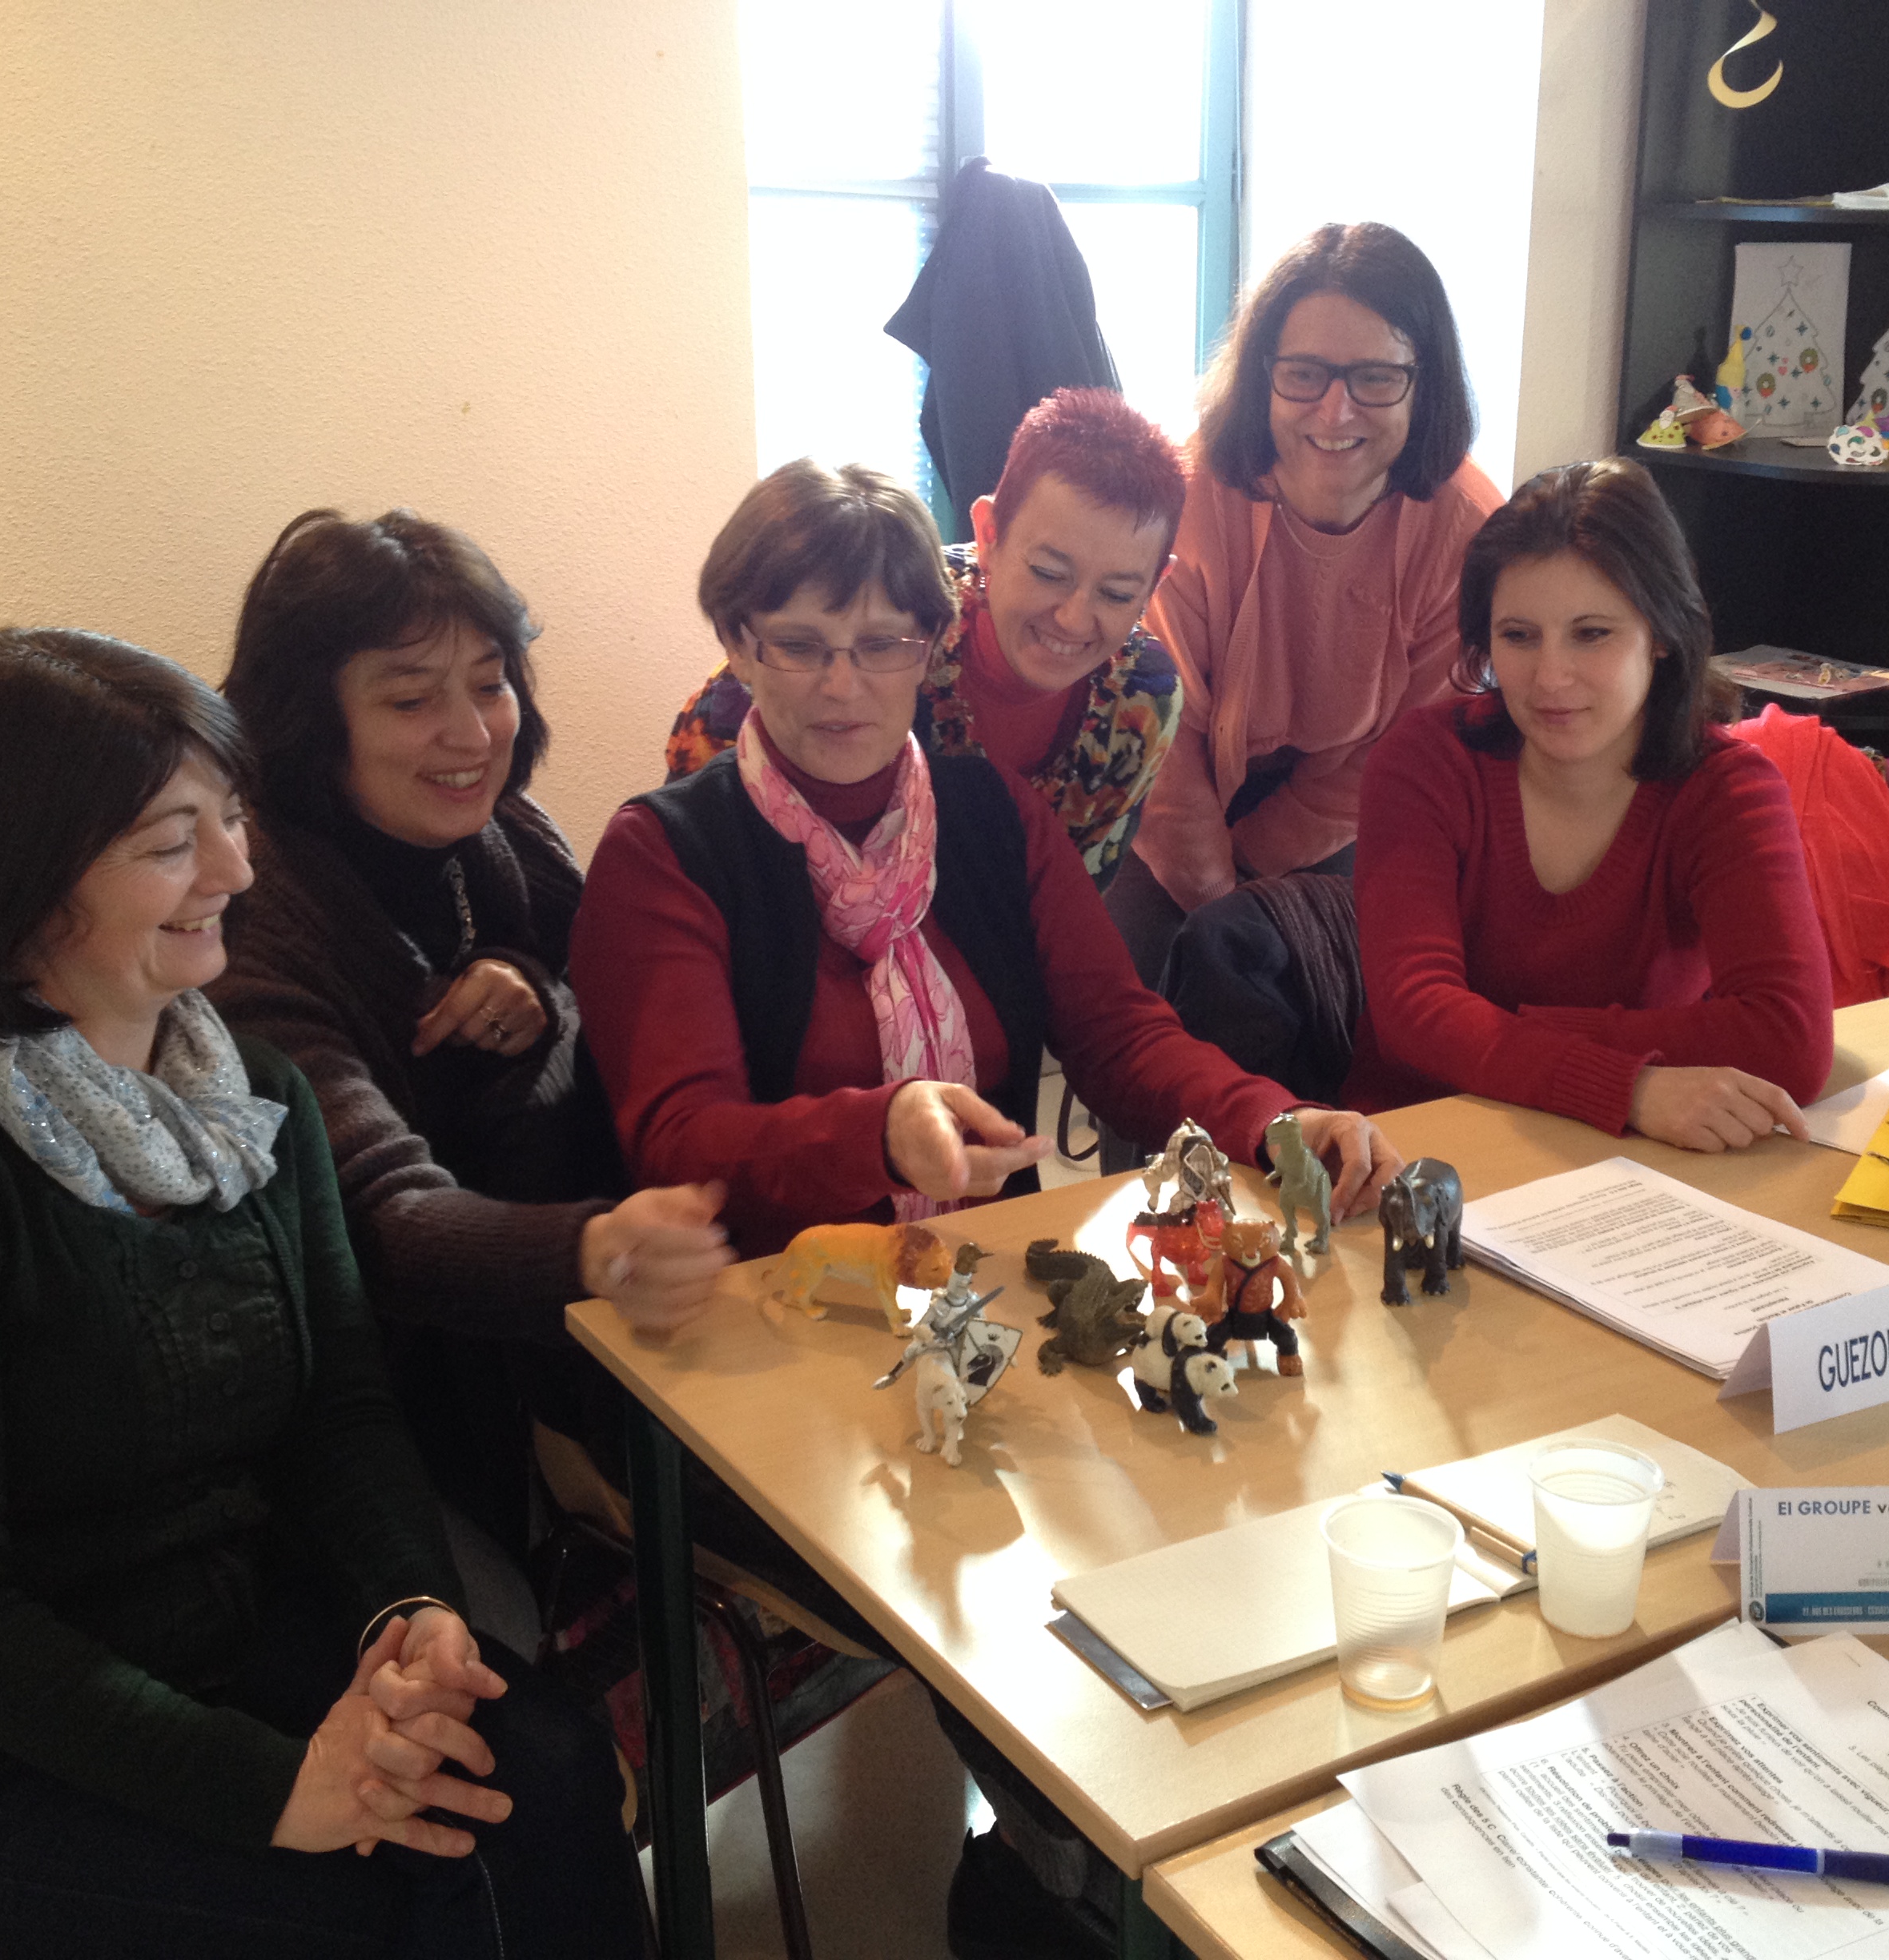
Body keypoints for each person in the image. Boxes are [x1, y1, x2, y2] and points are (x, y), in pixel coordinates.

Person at [573, 457, 1401, 1954]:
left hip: (962, 1303)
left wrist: (1272, 1119)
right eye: (798, 643)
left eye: (882, 642)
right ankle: (1075, 1877)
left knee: (1196, 1499)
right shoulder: (665, 851)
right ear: (738, 643)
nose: (843, 683)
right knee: (1039, 1578)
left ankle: (1106, 1865)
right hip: (773, 1351)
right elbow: (678, 1137)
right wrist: (875, 1123)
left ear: (929, 644)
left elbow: (1118, 1032)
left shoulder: (984, 811)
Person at [0, 630, 643, 1958]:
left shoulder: (252, 1096)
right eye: (172, 842)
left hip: (227, 1635)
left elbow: (341, 1411)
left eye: (233, 817)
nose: (235, 870)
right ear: (22, 882)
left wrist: (410, 1614)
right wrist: (274, 1788)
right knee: (379, 1892)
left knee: (540, 1777)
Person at [214, 508, 886, 1793]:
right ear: (311, 720)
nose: (470, 732)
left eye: (489, 683)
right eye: (411, 699)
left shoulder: (501, 836)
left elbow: (603, 984)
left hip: (601, 1339)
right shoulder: (262, 925)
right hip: (415, 1395)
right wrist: (597, 1251)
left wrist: (534, 976)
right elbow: (379, 1215)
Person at [1344, 460, 1835, 1151]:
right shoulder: (1425, 761)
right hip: (1425, 1146)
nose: (1550, 677)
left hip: (1635, 1160)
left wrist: (1504, 1030)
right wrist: (1626, 1086)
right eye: (1518, 636)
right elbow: (1414, 1015)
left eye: (1591, 633)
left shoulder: (1727, 789)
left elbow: (1791, 1038)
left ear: (1661, 633)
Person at [1111, 221, 1505, 1065]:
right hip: (1170, 779)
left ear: (1425, 381)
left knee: (1334, 1021)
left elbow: (1405, 752)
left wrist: (1254, 873)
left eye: (1375, 377)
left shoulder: (1468, 527)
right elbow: (1161, 730)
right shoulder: (1184, 494)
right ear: (1264, 375)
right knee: (1153, 1036)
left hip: (1349, 797)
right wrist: (1216, 894)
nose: (1336, 410)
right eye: (1304, 374)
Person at [665, 387, 1187, 890]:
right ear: (988, 535)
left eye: (1117, 594)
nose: (1072, 619)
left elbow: (1077, 901)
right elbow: (702, 804)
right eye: (1048, 573)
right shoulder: (896, 612)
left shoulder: (1143, 697)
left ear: (1154, 585)